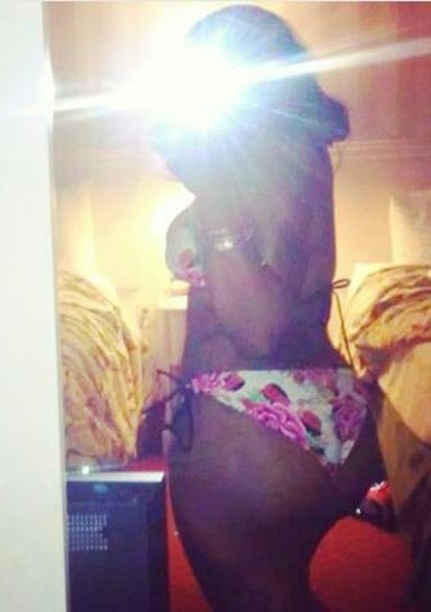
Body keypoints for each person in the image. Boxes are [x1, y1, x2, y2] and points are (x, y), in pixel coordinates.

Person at [152, 5, 384, 611]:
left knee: (249, 601)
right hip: (333, 405)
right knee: (284, 593)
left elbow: (258, 328)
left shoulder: (231, 166)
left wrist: (212, 193)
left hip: (251, 416)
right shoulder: (303, 152)